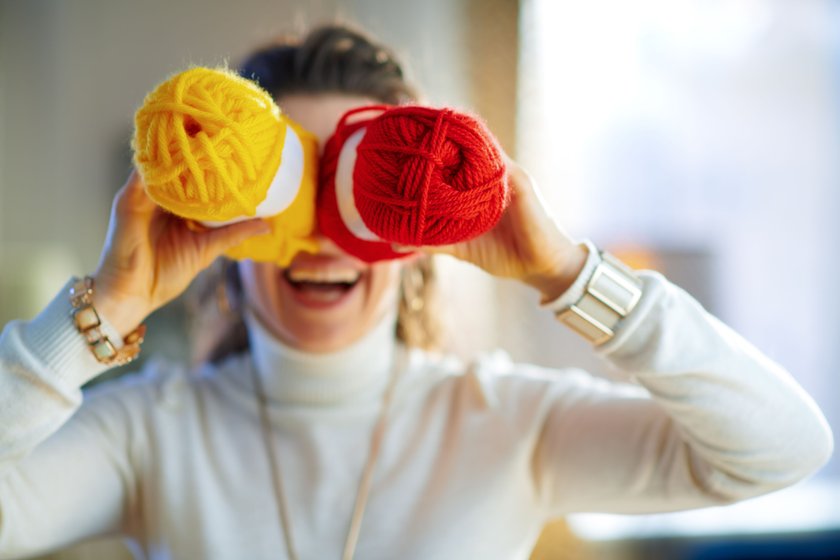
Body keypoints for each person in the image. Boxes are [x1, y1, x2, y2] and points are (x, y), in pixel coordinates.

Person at [0, 25, 833, 560]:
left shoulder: (506, 420)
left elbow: (783, 448)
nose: (324, 232)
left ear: (421, 238)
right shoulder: (151, 432)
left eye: (359, 192)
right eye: (289, 194)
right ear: (223, 235)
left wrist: (569, 273)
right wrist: (100, 312)